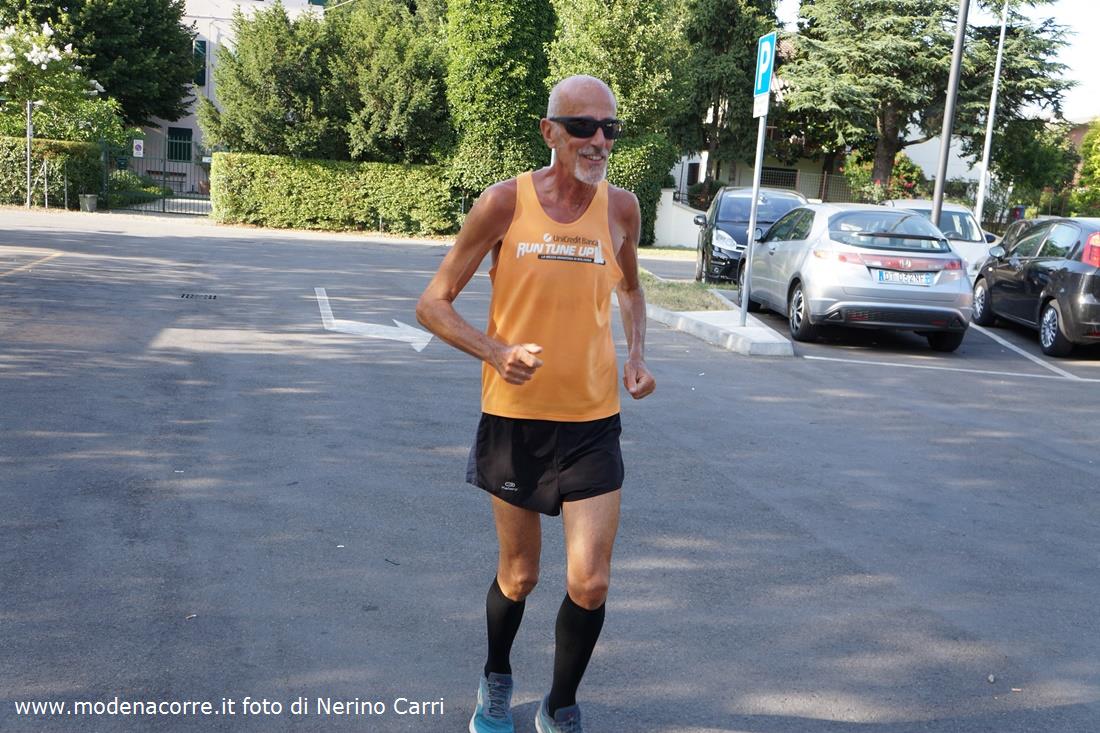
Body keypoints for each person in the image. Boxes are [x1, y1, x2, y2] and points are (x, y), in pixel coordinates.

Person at [416, 74, 655, 733]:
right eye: (583, 126)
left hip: (592, 423)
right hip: (515, 422)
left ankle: (559, 703)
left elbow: (632, 290)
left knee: (592, 582)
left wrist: (636, 353)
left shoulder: (621, 209)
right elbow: (432, 303)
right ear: (550, 131)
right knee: (518, 575)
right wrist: (494, 351)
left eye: (610, 127)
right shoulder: (501, 204)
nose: (599, 139)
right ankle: (496, 679)